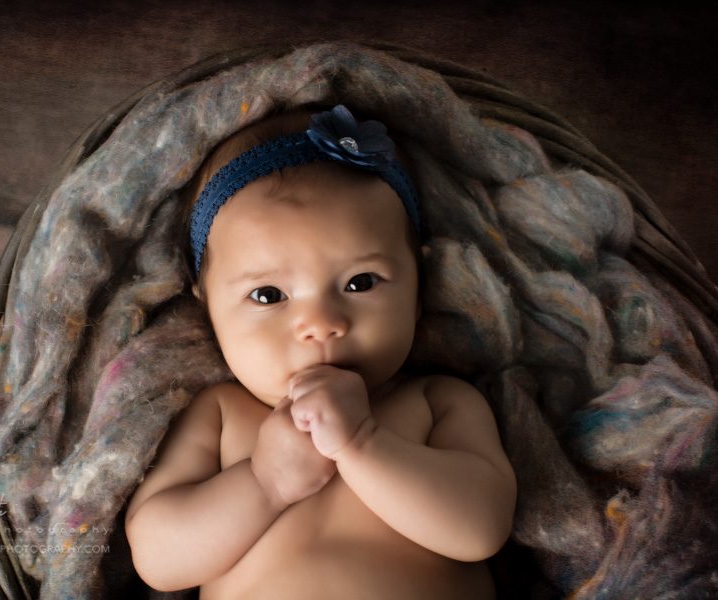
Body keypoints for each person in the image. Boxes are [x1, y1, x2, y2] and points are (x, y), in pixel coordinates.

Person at [124, 104, 517, 599]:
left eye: (360, 282)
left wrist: (364, 444)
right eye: (268, 295)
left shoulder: (438, 403)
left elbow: (481, 529)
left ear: (419, 286)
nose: (321, 324)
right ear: (207, 307)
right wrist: (265, 484)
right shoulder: (220, 415)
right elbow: (158, 560)